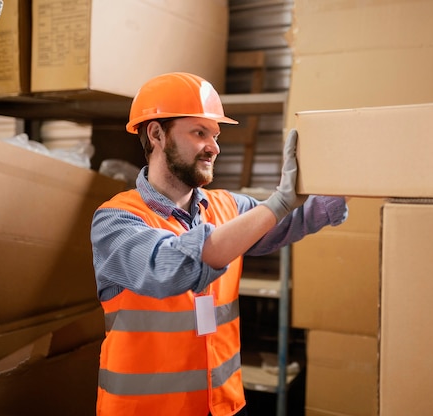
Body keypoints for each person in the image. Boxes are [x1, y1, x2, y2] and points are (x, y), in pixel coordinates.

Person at [90, 72, 348, 416]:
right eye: (200, 132)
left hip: (222, 405)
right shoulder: (117, 221)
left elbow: (291, 219)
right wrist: (277, 204)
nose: (214, 146)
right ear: (156, 134)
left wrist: (349, 174)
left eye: (215, 134)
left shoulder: (227, 208)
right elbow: (172, 267)